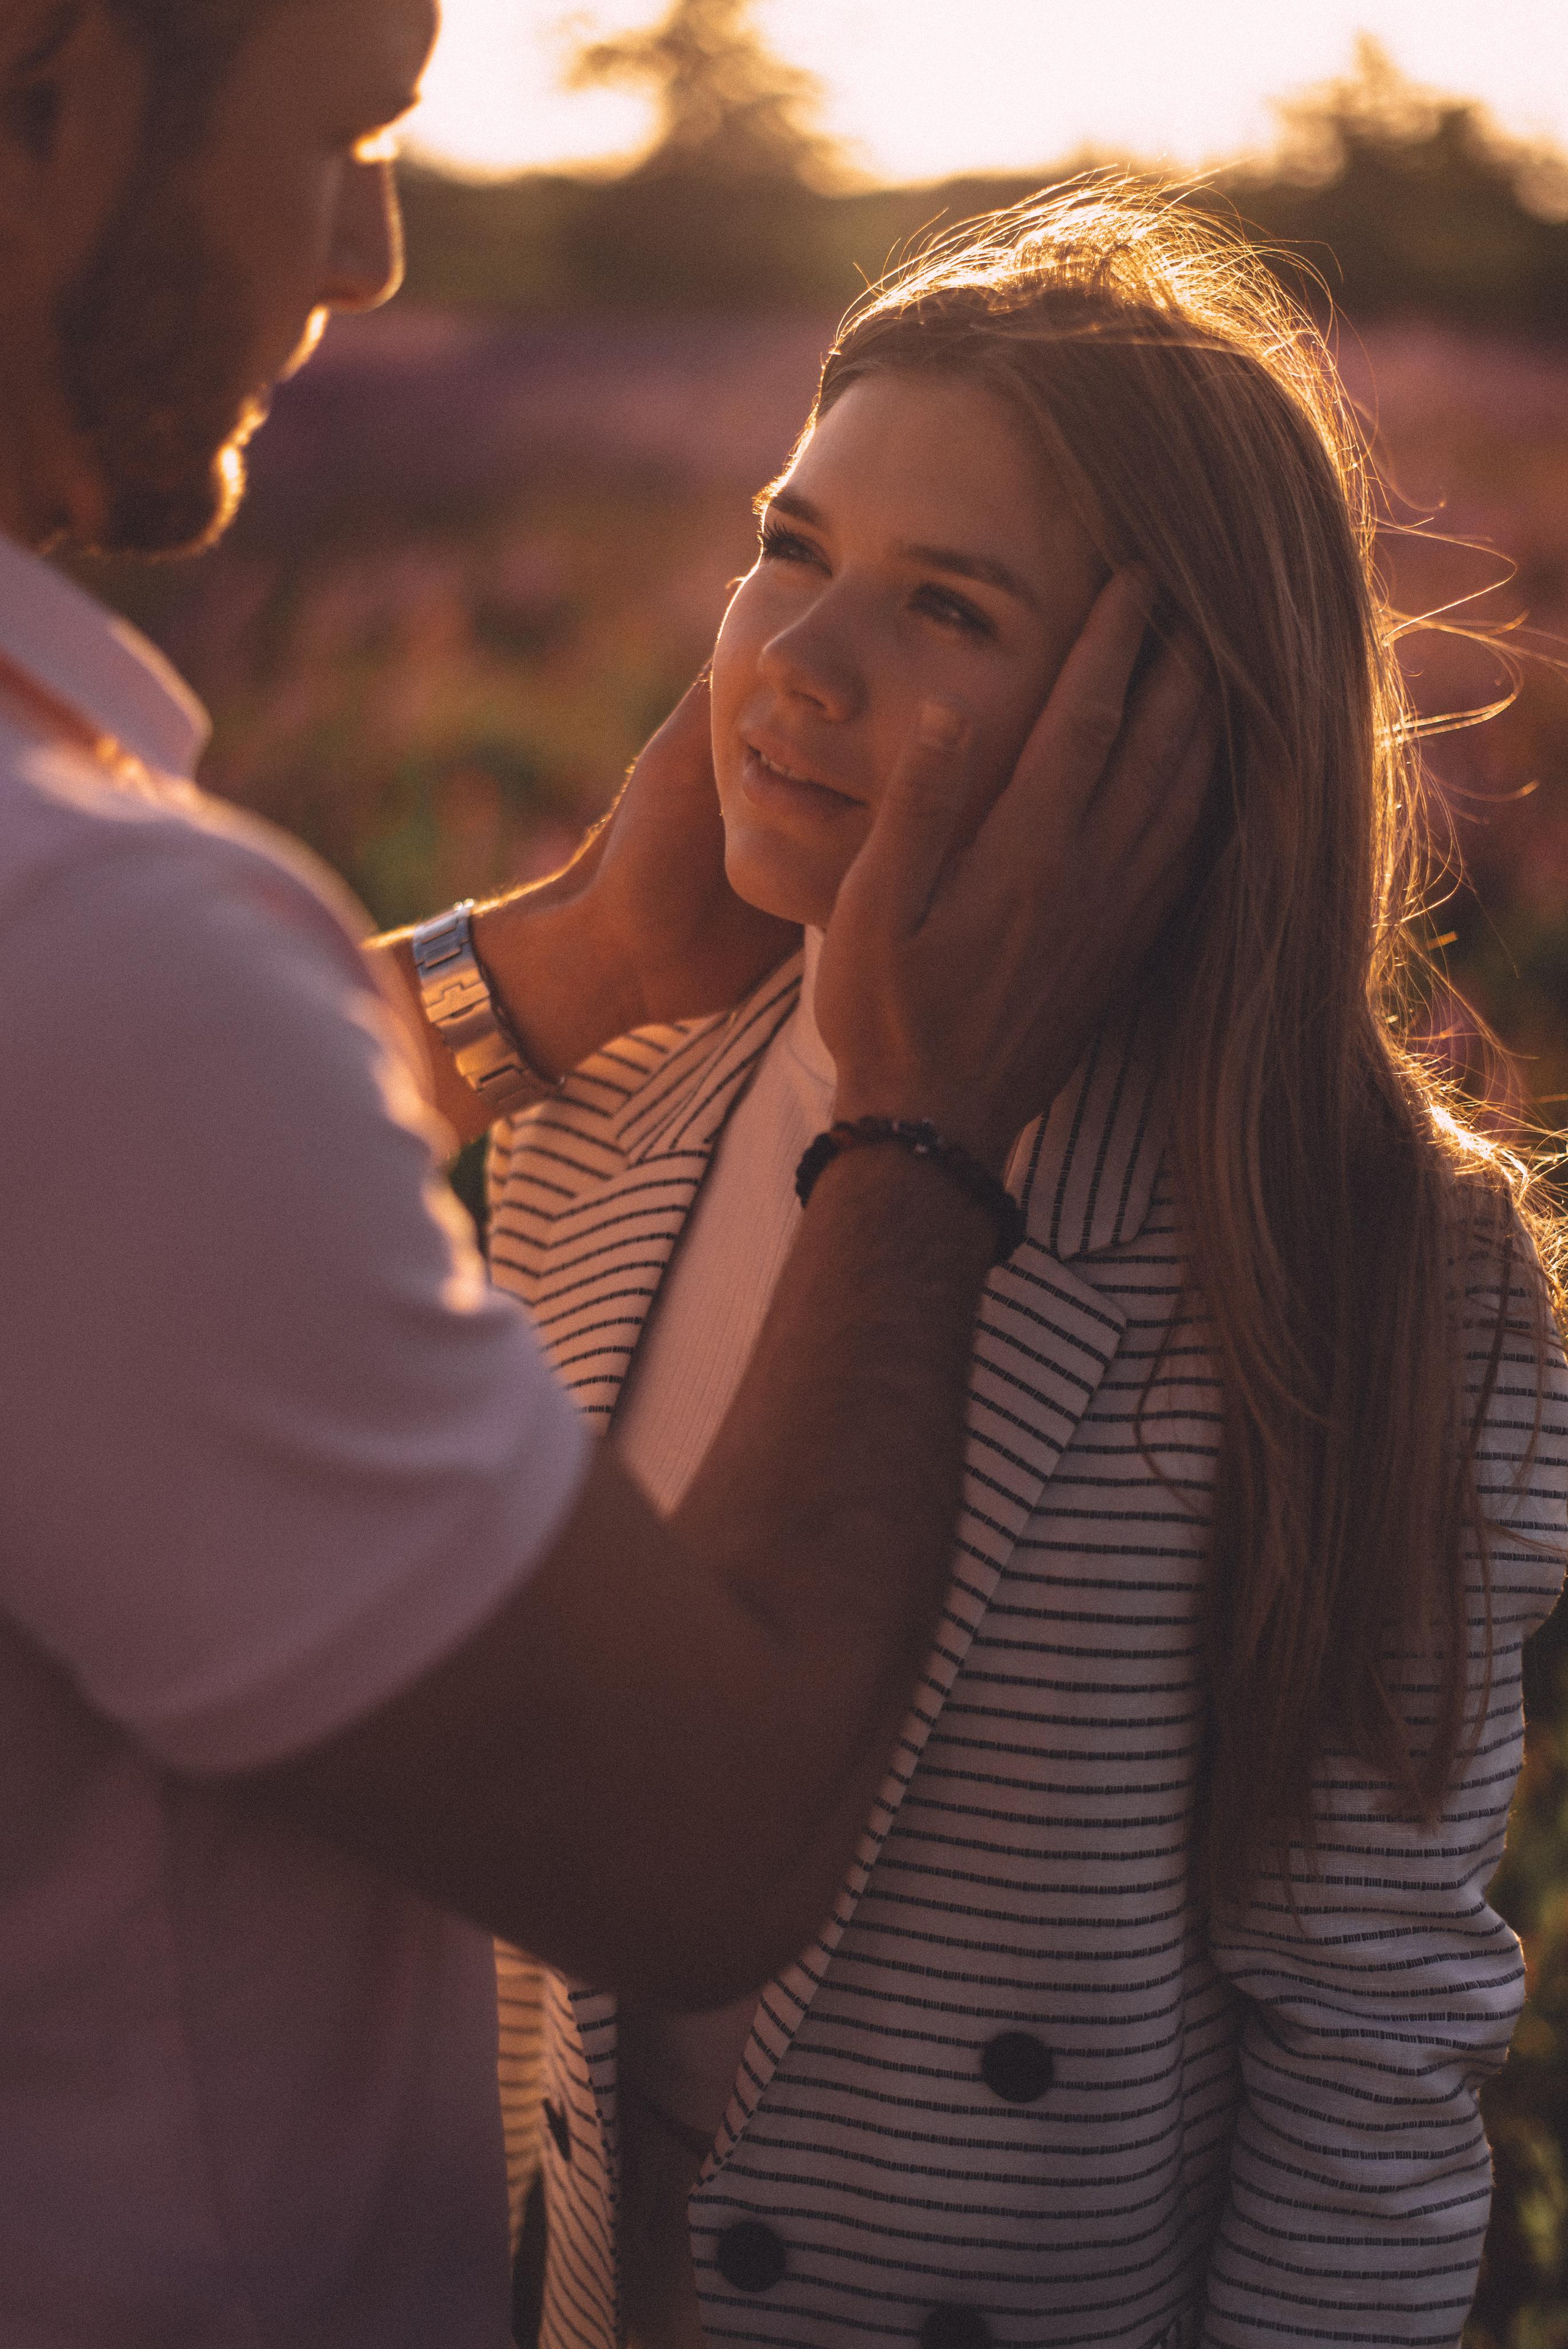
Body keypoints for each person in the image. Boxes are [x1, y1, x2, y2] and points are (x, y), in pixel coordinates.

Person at [0, 8, 1209, 2347]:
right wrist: (924, 1116)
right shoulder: (110, 963)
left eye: (951, 598)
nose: (370, 253)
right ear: (42, 86)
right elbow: (703, 1833)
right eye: (345, 130)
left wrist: (557, 970)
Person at [482, 188, 1568, 2349]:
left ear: (1161, 719)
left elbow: (1369, 2053)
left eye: (947, 607)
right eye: (787, 546)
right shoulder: (604, 1107)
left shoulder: (1375, 1256)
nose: (794, 664)